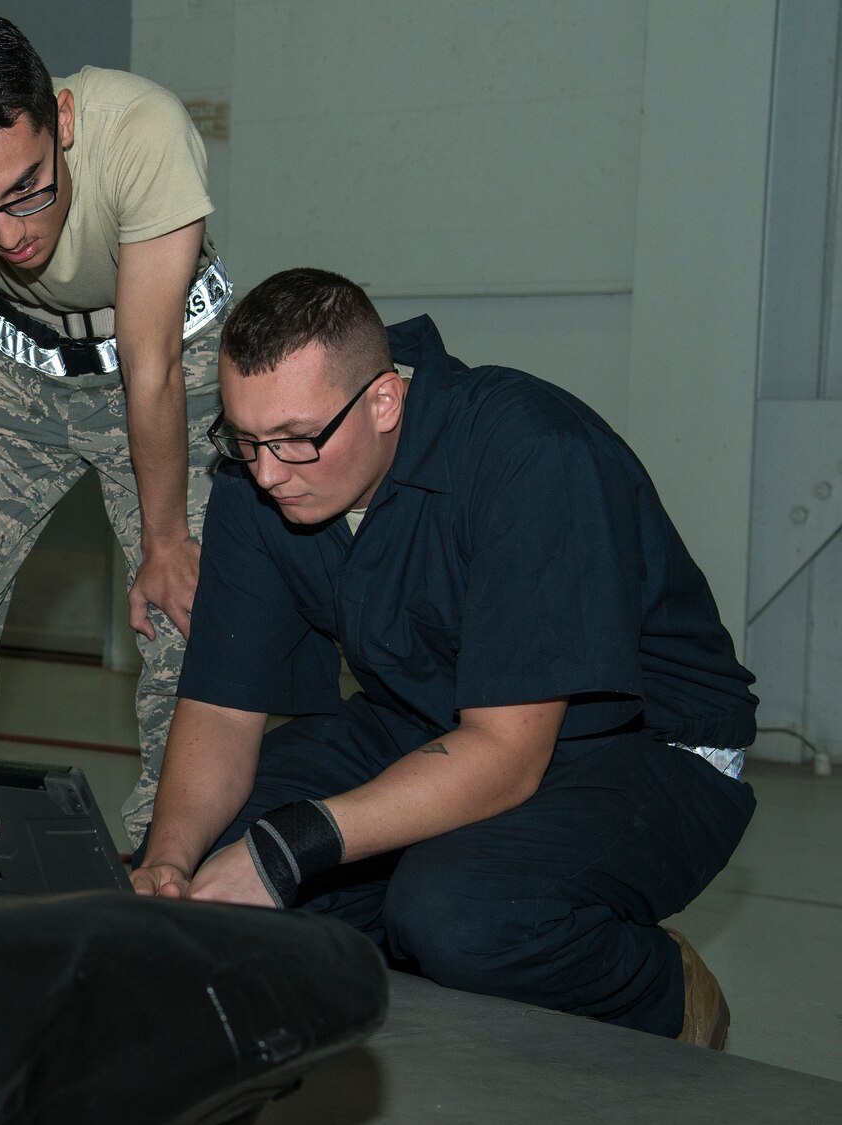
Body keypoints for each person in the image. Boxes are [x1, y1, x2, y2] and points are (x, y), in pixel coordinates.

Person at [132, 268, 758, 1047]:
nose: (266, 472)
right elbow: (223, 711)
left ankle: (660, 988)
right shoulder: (261, 481)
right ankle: (424, 910)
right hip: (435, 712)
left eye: (296, 440)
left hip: (643, 745)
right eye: (245, 439)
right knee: (201, 877)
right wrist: (168, 858)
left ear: (385, 400)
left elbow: (505, 756)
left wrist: (288, 850)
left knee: (458, 911)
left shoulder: (530, 453)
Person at [0, 10, 233, 843]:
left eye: (28, 187)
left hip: (174, 363)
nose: (11, 234)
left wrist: (166, 543)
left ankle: (174, 857)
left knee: (193, 605)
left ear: (59, 120)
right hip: (14, 369)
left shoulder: (142, 130)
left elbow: (152, 363)